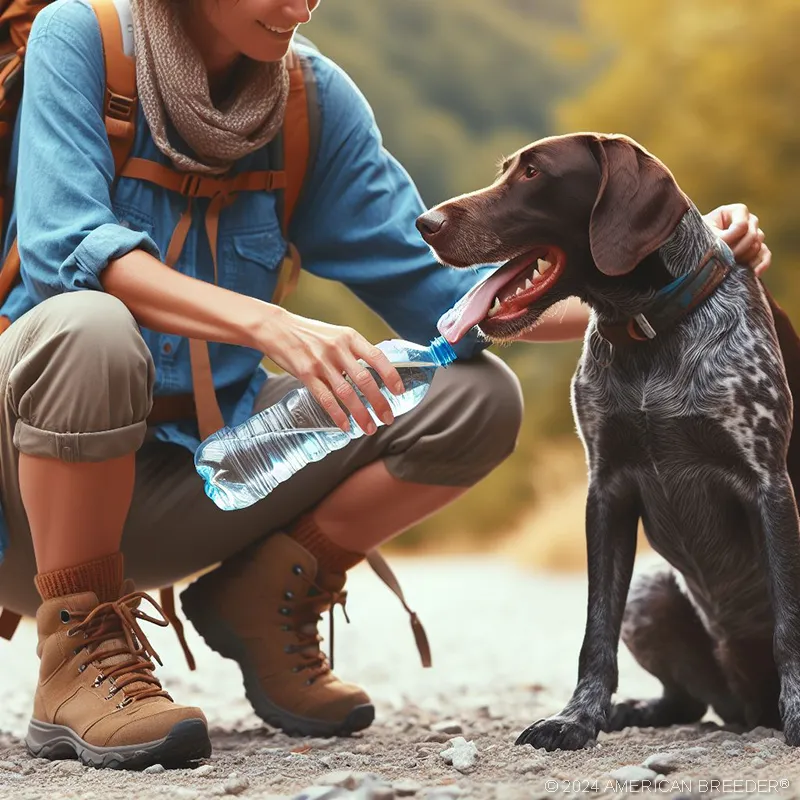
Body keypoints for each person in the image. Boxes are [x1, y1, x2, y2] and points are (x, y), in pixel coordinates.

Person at [0, 0, 770, 769]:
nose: (302, 4)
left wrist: (682, 260)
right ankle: (81, 645)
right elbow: (64, 246)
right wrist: (270, 326)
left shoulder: (310, 103)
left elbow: (453, 304)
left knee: (472, 397)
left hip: (197, 478)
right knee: (89, 326)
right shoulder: (87, 39)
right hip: (26, 489)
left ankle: (259, 601)